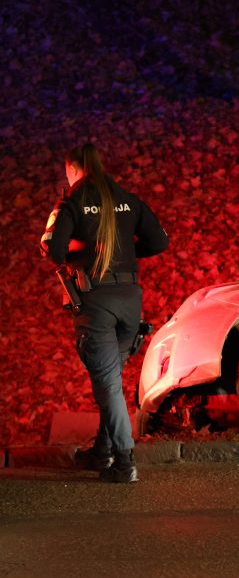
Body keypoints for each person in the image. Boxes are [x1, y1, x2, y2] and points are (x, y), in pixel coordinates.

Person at [40, 143, 169, 483]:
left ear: (72, 169)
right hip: (130, 299)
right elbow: (159, 242)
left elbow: (51, 250)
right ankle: (103, 451)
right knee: (111, 381)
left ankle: (125, 463)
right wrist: (123, 250)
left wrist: (82, 252)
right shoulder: (127, 197)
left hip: (96, 300)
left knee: (108, 385)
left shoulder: (71, 202)